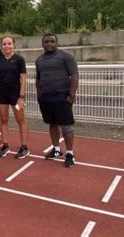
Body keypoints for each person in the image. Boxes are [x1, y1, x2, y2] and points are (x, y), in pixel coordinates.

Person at [36, 34, 79, 168]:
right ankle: (56, 150)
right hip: (46, 98)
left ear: (57, 43)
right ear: (42, 44)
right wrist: (39, 95)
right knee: (52, 124)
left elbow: (75, 75)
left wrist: (71, 94)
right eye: (46, 42)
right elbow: (38, 78)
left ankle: (70, 153)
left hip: (62, 96)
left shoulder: (66, 56)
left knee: (66, 126)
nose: (49, 44)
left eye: (52, 41)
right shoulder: (39, 60)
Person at [0, 36, 30, 159]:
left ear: (14, 45)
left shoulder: (19, 59)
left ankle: (24, 146)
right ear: (1, 46)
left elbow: (23, 78)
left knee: (20, 120)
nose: (7, 46)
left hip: (15, 94)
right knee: (3, 119)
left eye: (9, 43)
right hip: (2, 94)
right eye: (4, 44)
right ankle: (5, 145)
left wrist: (22, 96)